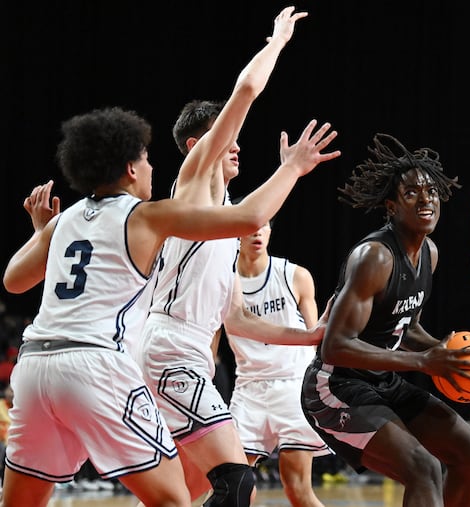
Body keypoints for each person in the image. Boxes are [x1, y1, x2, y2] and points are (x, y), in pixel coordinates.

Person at [0, 100, 330, 506]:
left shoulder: (67, 220)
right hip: (133, 355)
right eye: (145, 158)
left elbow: (13, 280)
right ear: (132, 168)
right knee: (218, 487)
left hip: (37, 364)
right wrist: (277, 41)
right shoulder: (157, 212)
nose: (153, 166)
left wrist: (42, 234)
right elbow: (250, 210)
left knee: (186, 488)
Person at [135, 7, 340, 505]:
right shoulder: (195, 180)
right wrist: (277, 41)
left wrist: (308, 335)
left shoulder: (217, 215)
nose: (237, 147)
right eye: (227, 141)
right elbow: (246, 92)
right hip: (169, 347)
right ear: (197, 145)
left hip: (178, 349)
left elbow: (236, 317)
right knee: (235, 479)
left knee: (189, 490)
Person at [301, 134, 470, 507]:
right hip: (333, 387)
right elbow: (335, 345)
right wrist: (423, 362)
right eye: (412, 193)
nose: (426, 200)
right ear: (391, 206)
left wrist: (442, 351)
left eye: (432, 191)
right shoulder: (375, 257)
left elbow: (405, 329)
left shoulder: (429, 254)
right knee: (424, 468)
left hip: (381, 383)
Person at [226, 218, 330, 507]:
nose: (257, 232)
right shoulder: (224, 280)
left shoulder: (294, 275)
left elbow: (316, 336)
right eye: (249, 226)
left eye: (264, 226)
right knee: (232, 487)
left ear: (271, 231)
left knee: (297, 489)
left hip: (292, 385)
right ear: (235, 234)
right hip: (248, 390)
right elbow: (212, 336)